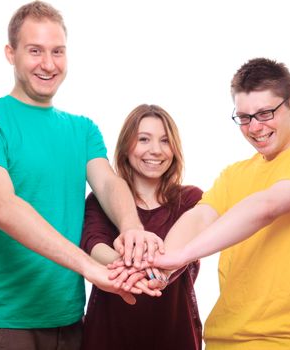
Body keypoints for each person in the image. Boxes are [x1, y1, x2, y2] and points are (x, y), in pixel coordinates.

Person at [0, 2, 162, 349]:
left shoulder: (82, 130)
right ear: (11, 53)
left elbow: (109, 184)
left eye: (58, 52)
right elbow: (2, 207)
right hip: (4, 323)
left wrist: (131, 228)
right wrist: (90, 269)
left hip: (70, 321)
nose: (48, 64)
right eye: (35, 51)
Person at [115, 58, 290, 349]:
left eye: (265, 113)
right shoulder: (234, 174)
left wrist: (183, 256)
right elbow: (199, 218)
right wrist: (161, 269)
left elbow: (267, 206)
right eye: (244, 117)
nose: (255, 127)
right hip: (223, 341)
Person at [80, 104, 203, 350]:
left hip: (175, 333)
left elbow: (181, 253)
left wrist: (141, 269)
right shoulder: (100, 200)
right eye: (144, 139)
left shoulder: (191, 199)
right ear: (126, 146)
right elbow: (93, 245)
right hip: (108, 335)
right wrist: (136, 270)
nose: (155, 150)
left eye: (165, 141)